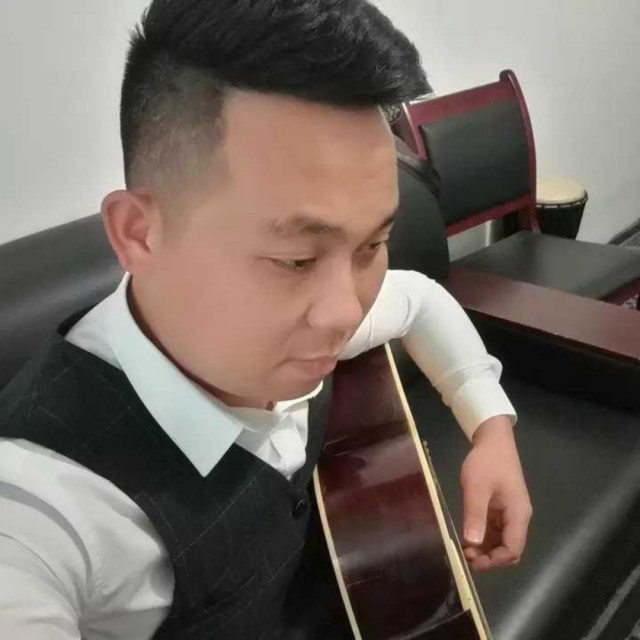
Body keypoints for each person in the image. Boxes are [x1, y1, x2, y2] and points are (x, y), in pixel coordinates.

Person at [0, 0, 532, 637]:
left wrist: (492, 431)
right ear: (139, 233)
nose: (346, 312)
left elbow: (417, 298)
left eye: (371, 245)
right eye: (294, 260)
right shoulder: (41, 509)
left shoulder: (307, 318)